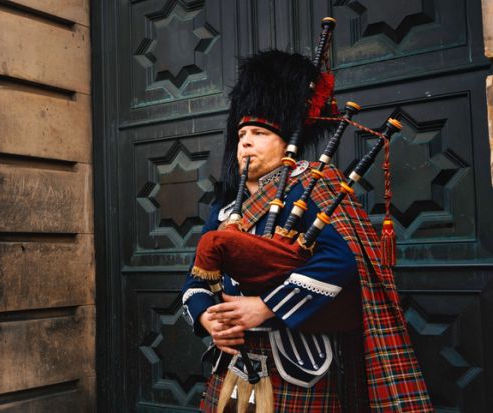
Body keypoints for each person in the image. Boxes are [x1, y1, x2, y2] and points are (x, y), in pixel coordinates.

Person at [181, 50, 433, 412]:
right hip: (233, 363)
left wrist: (265, 307)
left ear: (286, 143)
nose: (245, 142)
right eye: (241, 135)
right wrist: (207, 319)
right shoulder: (223, 210)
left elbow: (340, 260)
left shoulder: (312, 185)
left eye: (259, 133)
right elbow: (195, 280)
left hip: (297, 360)